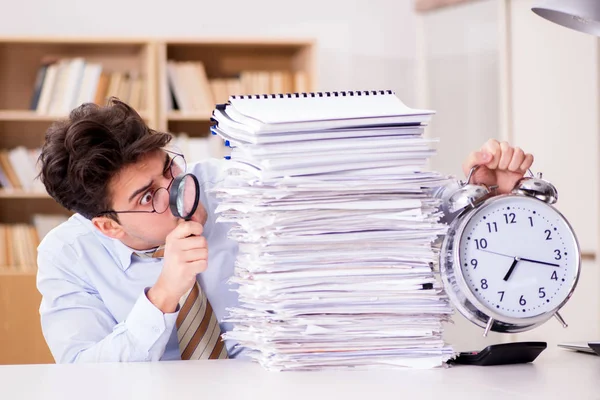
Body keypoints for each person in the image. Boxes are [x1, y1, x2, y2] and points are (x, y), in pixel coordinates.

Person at [35, 98, 534, 363]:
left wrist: (481, 197)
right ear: (108, 225)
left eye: (168, 170)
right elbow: (83, 372)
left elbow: (373, 216)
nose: (178, 194)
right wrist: (164, 295)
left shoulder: (233, 185)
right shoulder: (67, 256)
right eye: (148, 197)